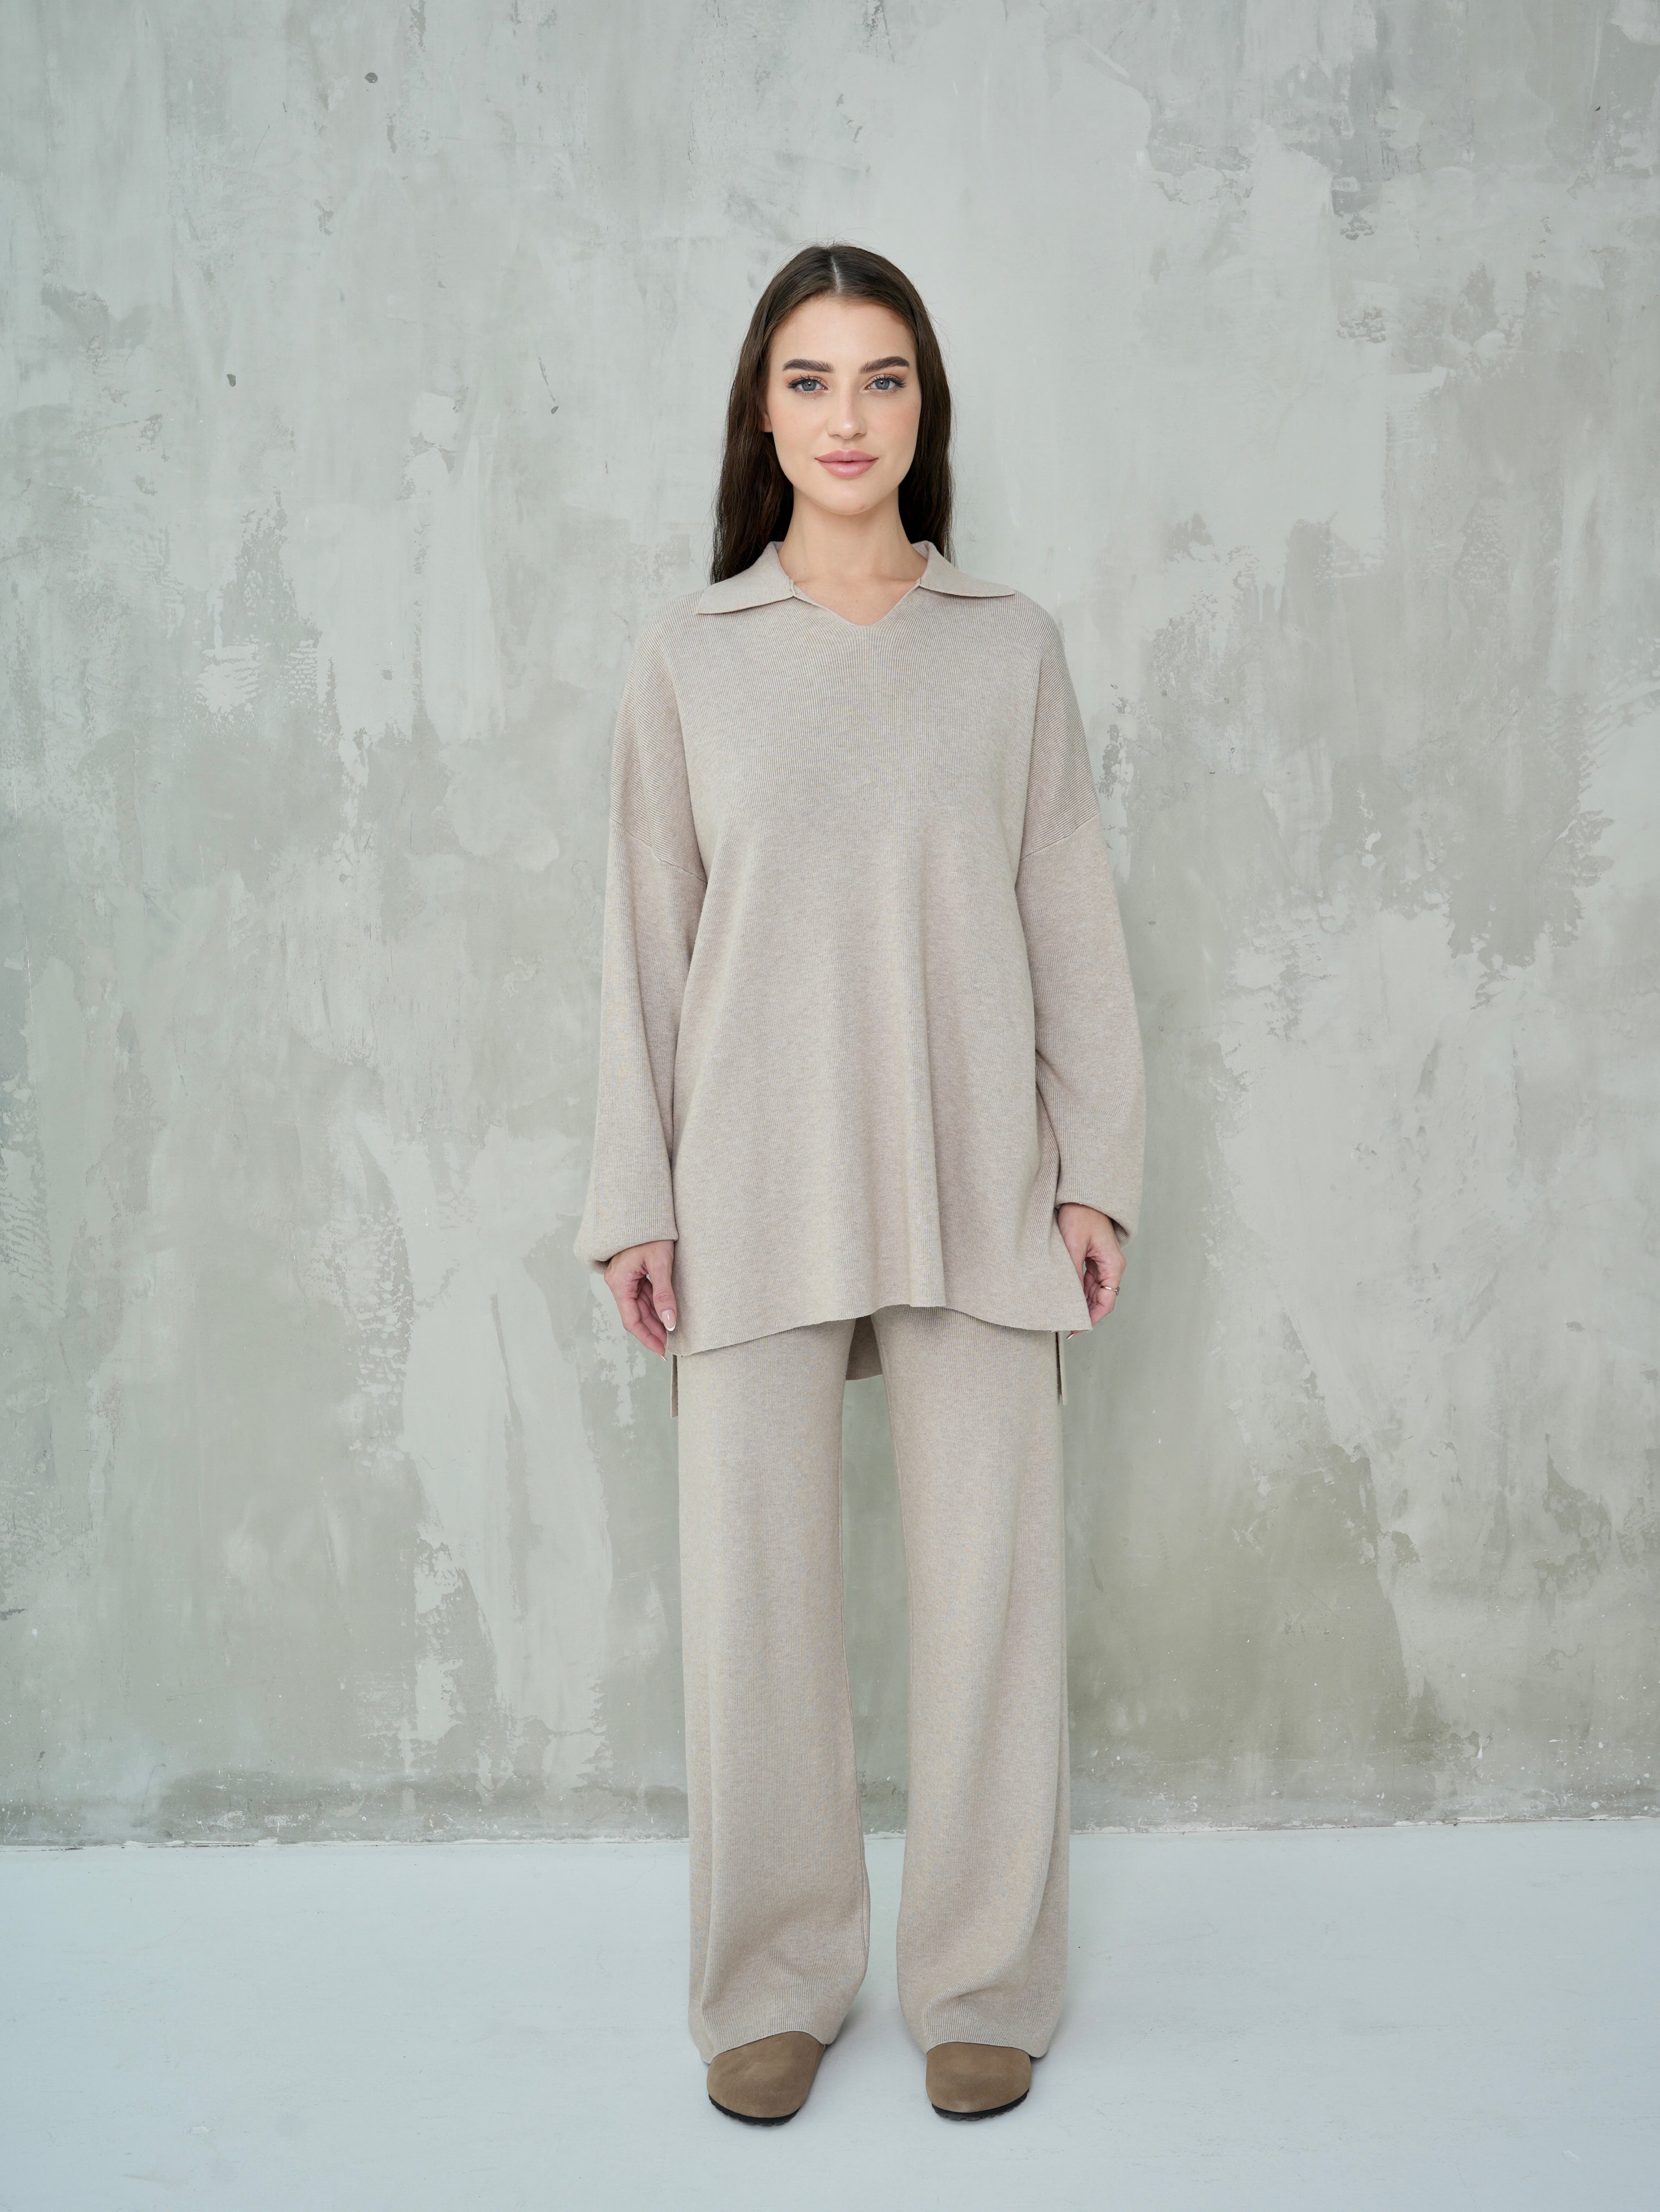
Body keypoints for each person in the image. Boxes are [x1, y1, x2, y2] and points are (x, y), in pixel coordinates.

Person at [573, 242, 1145, 2125]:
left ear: (924, 409)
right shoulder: (690, 656)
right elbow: (642, 943)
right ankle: (771, 1979)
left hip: (980, 1163)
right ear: (762, 412)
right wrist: (634, 1196)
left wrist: (1095, 1172)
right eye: (810, 380)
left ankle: (982, 1975)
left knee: (992, 1596)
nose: (847, 417)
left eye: (882, 378)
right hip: (747, 1174)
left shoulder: (1008, 647)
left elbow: (1070, 918)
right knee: (753, 1606)